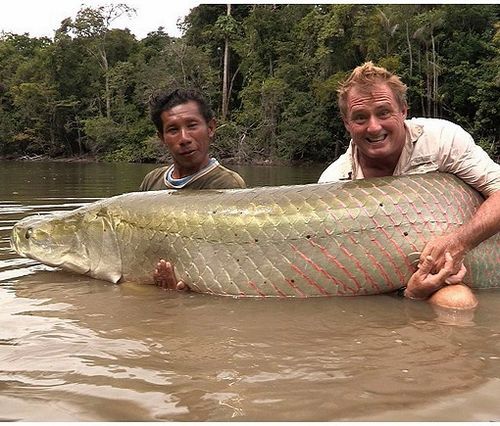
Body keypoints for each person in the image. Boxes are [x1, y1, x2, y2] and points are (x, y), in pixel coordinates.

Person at [318, 61, 500, 308]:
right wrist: (411, 294)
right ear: (347, 123)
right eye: (360, 118)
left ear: (403, 110)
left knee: (457, 303)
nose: (374, 127)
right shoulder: (332, 183)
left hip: (462, 258)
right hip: (386, 283)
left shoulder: (442, 140)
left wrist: (459, 244)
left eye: (383, 112)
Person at [141, 88, 246, 290]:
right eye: (173, 130)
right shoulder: (152, 181)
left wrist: (187, 289)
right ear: (162, 137)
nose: (184, 138)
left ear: (211, 128)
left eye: (192, 126)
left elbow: (229, 261)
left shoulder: (227, 184)